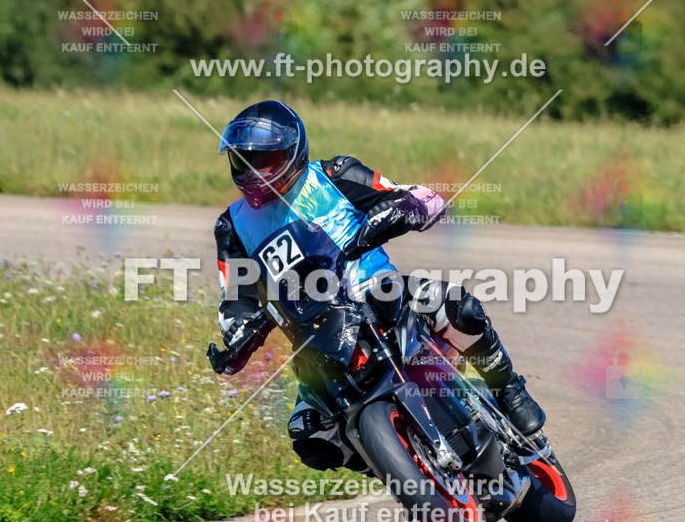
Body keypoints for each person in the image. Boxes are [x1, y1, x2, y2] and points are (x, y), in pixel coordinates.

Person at [213, 100, 545, 472]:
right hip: (315, 336)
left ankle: (507, 388)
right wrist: (238, 333)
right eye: (243, 161)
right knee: (309, 437)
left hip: (380, 294)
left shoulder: (335, 174)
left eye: (264, 160)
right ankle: (397, 459)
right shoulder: (232, 226)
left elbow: (418, 196)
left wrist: (401, 210)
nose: (254, 172)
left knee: (457, 307)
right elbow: (234, 299)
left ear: (293, 153)